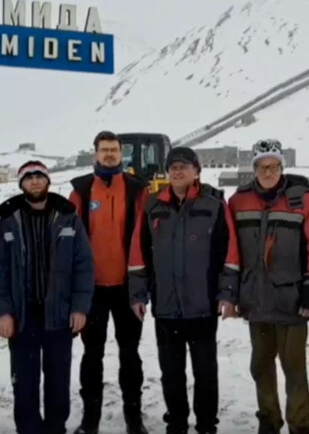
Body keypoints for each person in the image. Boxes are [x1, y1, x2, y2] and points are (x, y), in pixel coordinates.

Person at [128, 146, 239, 434]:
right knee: (171, 373)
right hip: (166, 307)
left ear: (196, 171)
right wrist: (138, 295)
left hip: (202, 305)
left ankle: (206, 425)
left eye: (184, 166)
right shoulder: (152, 205)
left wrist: (226, 293)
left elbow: (229, 253)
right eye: (173, 167)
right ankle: (176, 423)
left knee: (205, 372)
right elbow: (139, 254)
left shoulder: (214, 204)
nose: (178, 171)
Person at [223, 139, 309, 434]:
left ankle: (299, 426)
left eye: (274, 166)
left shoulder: (304, 202)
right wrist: (233, 293)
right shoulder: (238, 201)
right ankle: (268, 421)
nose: (268, 172)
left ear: (282, 167)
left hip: (291, 300)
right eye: (262, 166)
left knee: (294, 369)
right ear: (254, 169)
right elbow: (231, 250)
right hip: (256, 301)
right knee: (260, 367)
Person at [0, 160, 95, 434]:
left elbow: (83, 266)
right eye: (28, 177)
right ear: (21, 183)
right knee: (24, 382)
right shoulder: (8, 221)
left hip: (58, 314)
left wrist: (80, 307)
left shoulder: (68, 218)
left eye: (39, 176)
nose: (34, 181)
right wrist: (2, 312)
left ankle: (55, 427)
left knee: (58, 380)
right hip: (22, 316)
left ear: (47, 181)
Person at [68, 131, 149, 434]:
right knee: (92, 355)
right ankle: (91, 419)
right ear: (95, 155)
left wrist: (144, 283)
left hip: (127, 288)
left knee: (130, 355)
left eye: (114, 150)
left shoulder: (136, 189)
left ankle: (133, 417)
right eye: (105, 150)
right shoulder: (81, 191)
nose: (110, 155)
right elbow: (70, 241)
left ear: (121, 154)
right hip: (93, 290)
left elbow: (146, 237)